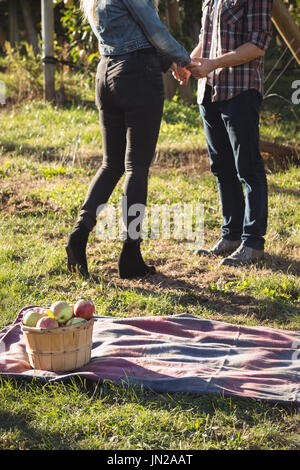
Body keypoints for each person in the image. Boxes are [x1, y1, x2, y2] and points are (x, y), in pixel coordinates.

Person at [66, 0, 194, 279]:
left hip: (106, 73)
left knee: (111, 165)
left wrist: (168, 61)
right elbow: (154, 30)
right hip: (137, 78)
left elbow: (131, 37)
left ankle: (79, 233)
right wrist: (185, 59)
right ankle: (131, 253)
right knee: (136, 167)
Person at [174, 0, 274, 266]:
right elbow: (206, 40)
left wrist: (213, 64)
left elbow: (257, 45)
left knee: (248, 167)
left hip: (240, 90)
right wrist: (187, 62)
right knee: (222, 167)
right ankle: (230, 236)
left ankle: (253, 242)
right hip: (208, 91)